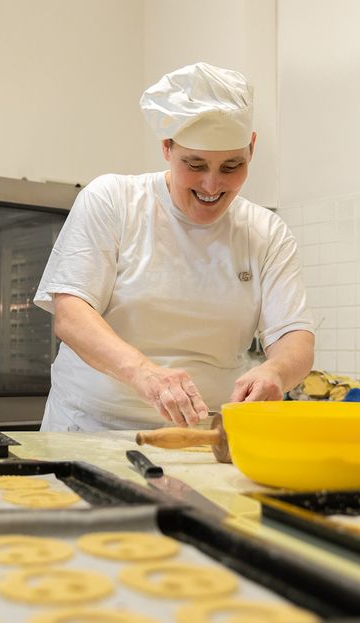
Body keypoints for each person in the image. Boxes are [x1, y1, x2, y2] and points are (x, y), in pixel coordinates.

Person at [34, 63, 314, 432]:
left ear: (251, 148)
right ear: (167, 147)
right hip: (90, 426)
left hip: (203, 434)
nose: (212, 185)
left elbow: (294, 338)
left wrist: (275, 371)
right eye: (195, 165)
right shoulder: (113, 200)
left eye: (231, 167)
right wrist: (143, 372)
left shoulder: (265, 232)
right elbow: (71, 315)